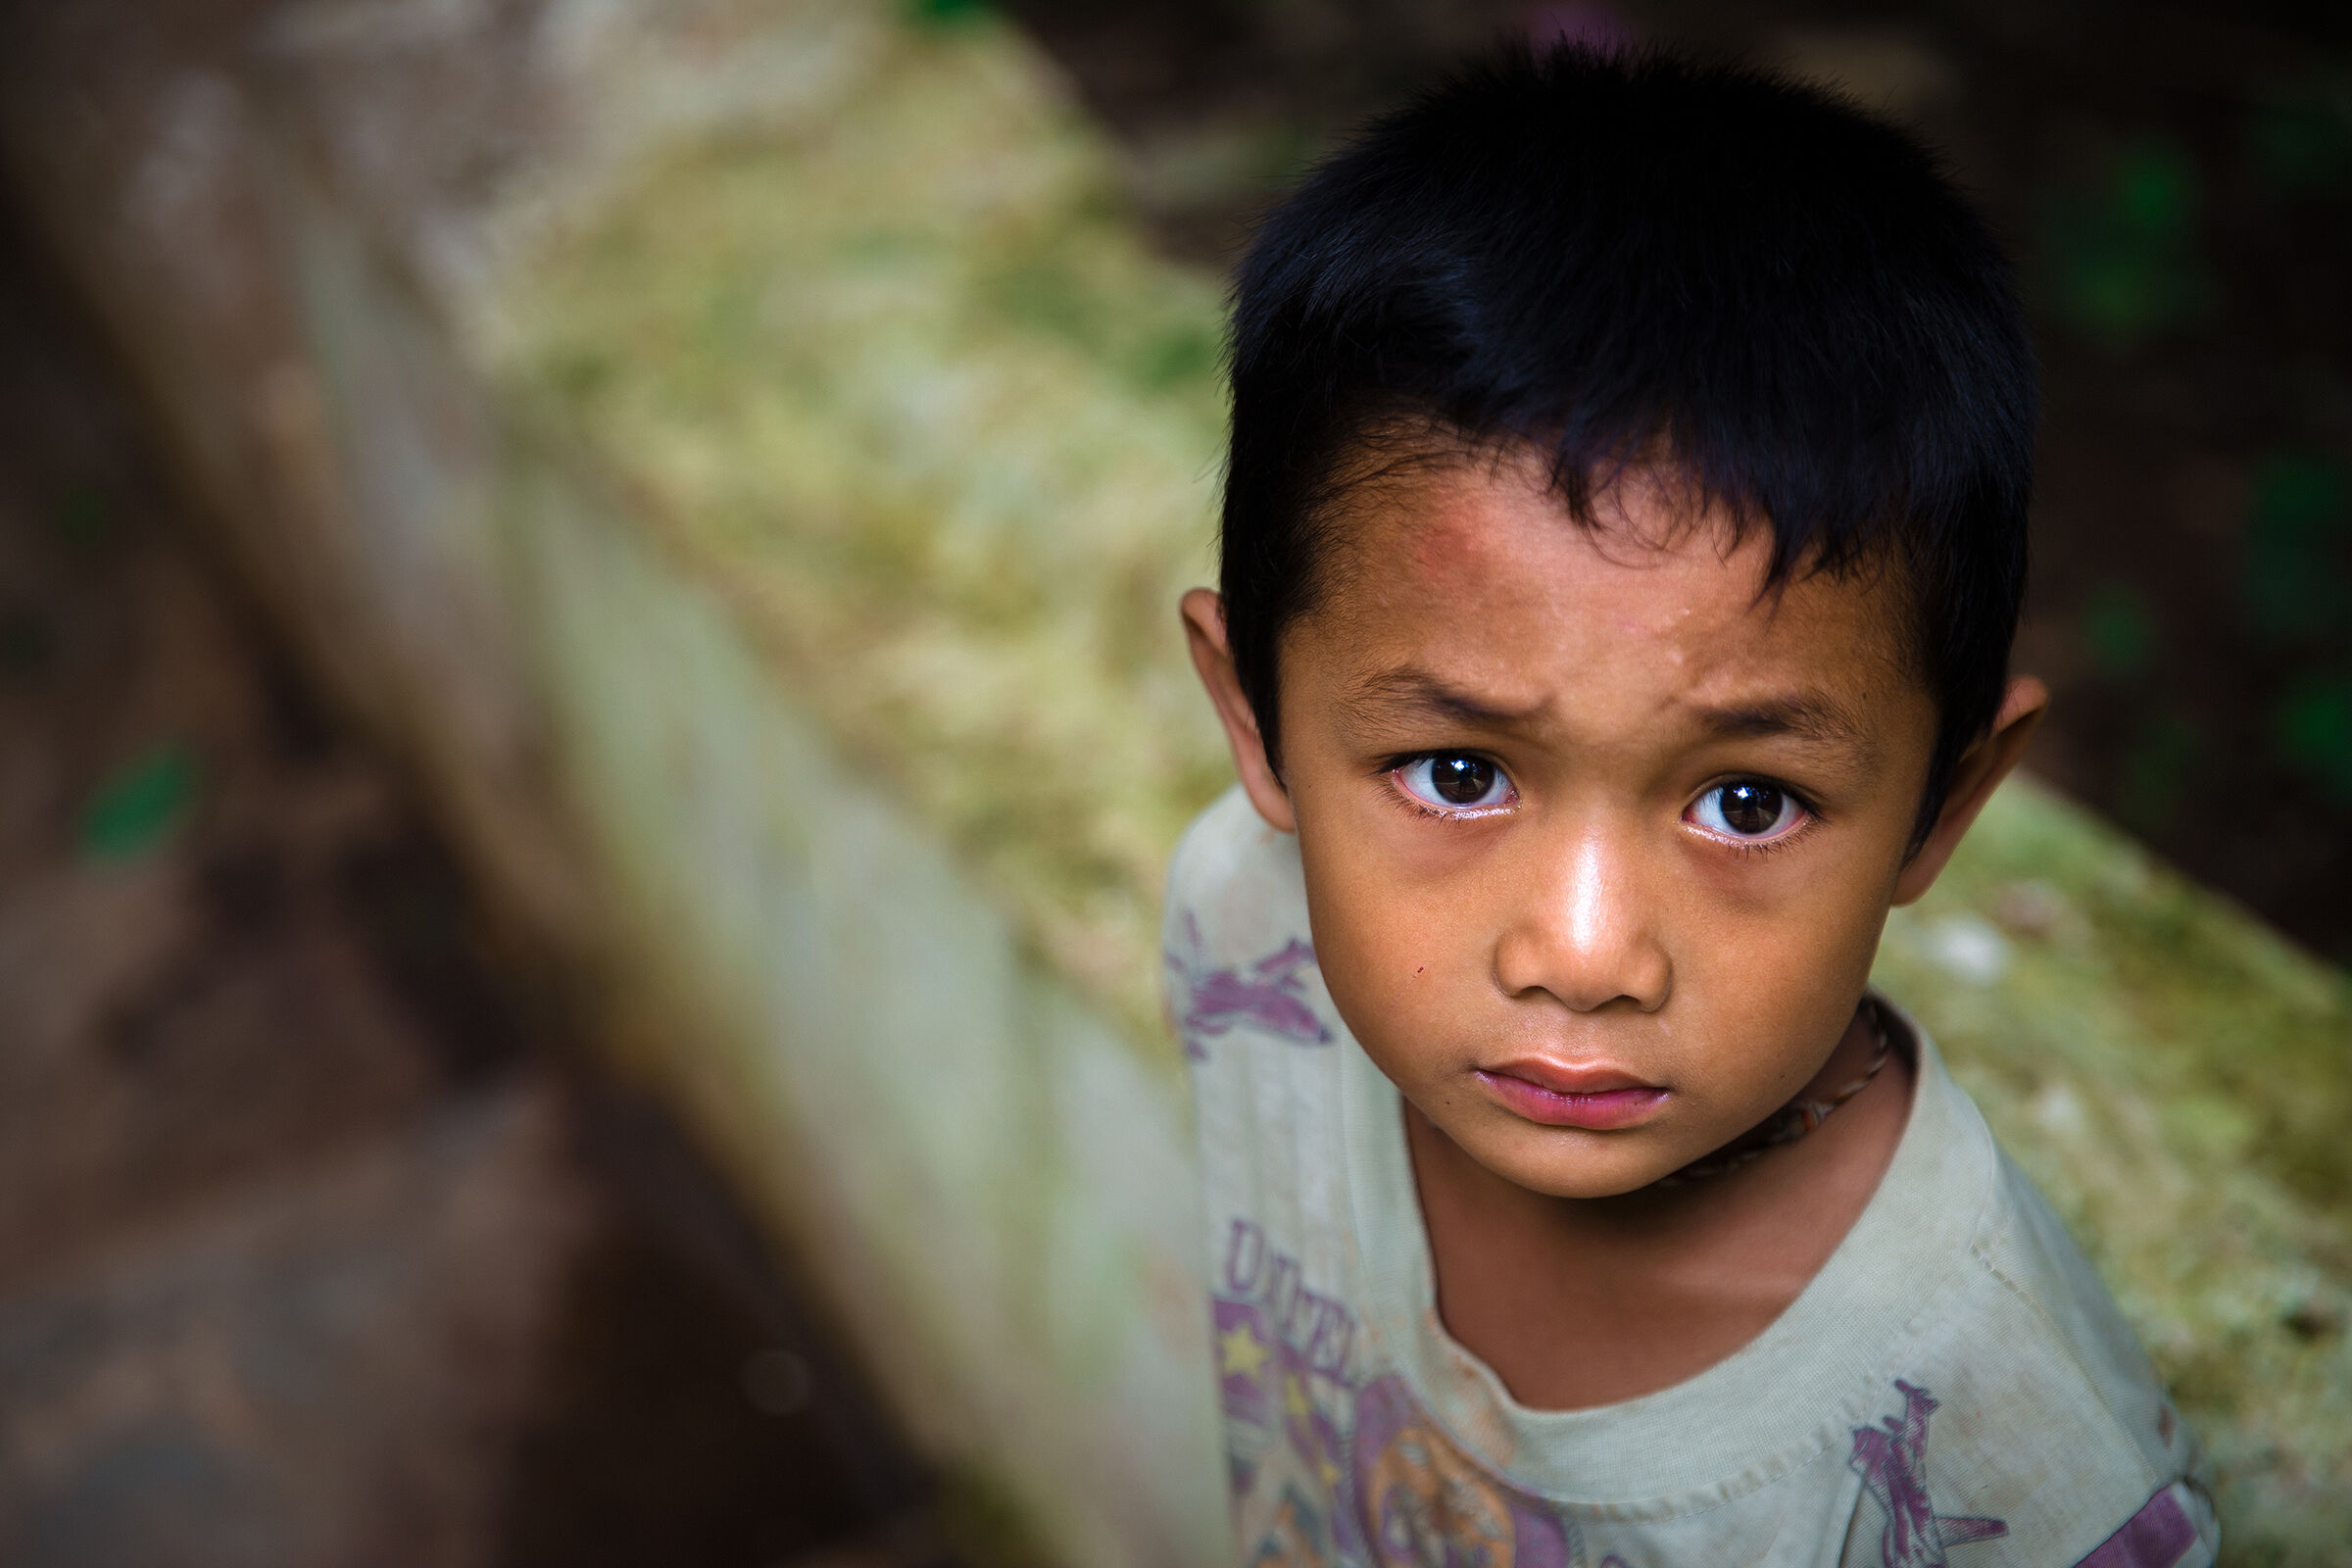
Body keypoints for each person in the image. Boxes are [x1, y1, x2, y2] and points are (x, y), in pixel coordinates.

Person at [1163, 42, 2216, 1568]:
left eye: (1745, 801)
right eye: (1458, 775)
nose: (1584, 957)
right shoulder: (1242, 939)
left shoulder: (2015, 1460)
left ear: (1944, 803)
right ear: (1251, 713)